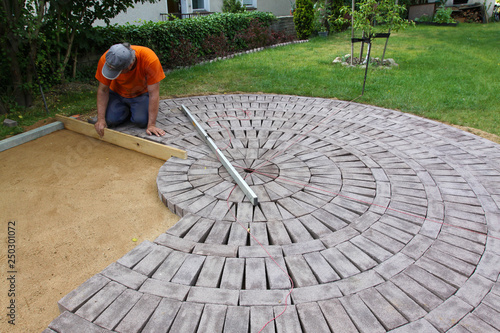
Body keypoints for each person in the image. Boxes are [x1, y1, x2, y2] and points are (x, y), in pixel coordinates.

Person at [94, 43, 166, 137]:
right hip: (117, 94)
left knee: (141, 121)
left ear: (130, 65)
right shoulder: (108, 59)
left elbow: (154, 93)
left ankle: (133, 110)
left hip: (140, 95)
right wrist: (101, 119)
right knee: (110, 121)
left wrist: (151, 125)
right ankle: (128, 110)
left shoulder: (150, 60)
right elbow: (103, 90)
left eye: (118, 71)